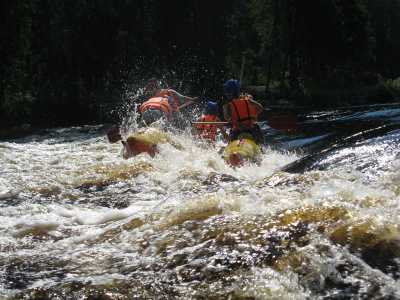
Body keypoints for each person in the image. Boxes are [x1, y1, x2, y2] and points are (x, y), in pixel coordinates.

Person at [221, 79, 264, 144]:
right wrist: (253, 116)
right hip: (252, 129)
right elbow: (260, 108)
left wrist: (225, 110)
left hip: (238, 131)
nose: (227, 94)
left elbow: (227, 118)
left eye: (228, 92)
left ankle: (231, 146)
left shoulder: (228, 105)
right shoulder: (248, 99)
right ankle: (260, 147)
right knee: (257, 129)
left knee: (230, 138)